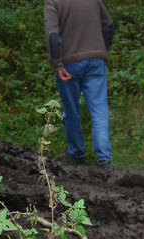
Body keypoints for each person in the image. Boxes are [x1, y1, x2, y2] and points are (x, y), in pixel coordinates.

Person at [44, 0, 115, 168]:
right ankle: (104, 157)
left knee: (71, 110)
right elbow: (109, 26)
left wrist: (57, 65)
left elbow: (53, 36)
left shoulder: (53, 2)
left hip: (69, 63)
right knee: (99, 109)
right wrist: (102, 49)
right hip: (96, 60)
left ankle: (76, 153)